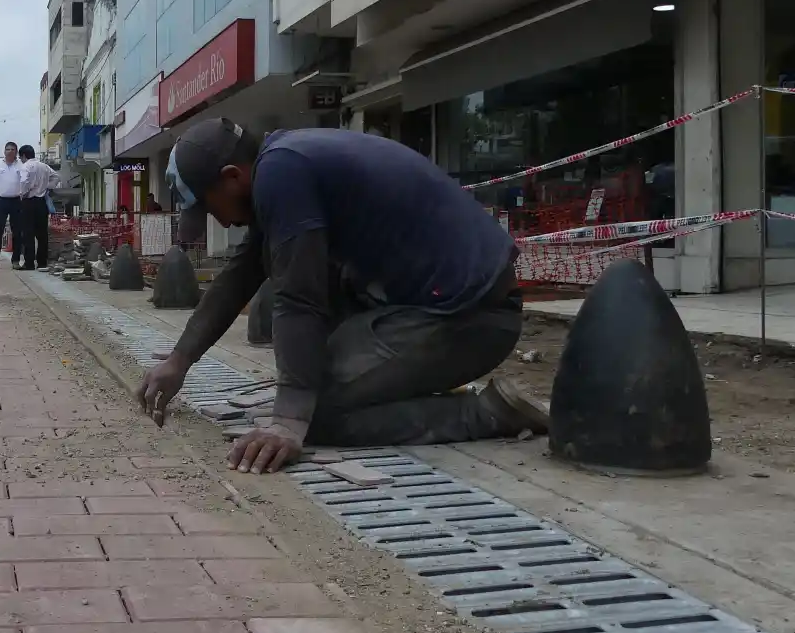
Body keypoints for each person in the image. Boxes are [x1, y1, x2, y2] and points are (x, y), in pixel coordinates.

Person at [136, 118, 548, 475]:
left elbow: (299, 298)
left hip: (470, 316)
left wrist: (288, 422)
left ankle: (486, 414)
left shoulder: (283, 172)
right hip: (437, 308)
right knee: (310, 384)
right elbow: (240, 276)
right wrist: (178, 360)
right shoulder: (285, 161)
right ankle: (407, 392)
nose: (220, 220)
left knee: (317, 414)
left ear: (232, 176)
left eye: (211, 208)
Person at [17, 144, 60, 271]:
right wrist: (47, 186)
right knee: (42, 234)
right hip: (42, 202)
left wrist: (23, 193)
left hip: (29, 201)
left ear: (23, 155)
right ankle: (42, 262)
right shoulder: (44, 166)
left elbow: (24, 182)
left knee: (28, 233)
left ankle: (29, 263)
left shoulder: (26, 166)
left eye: (21, 157)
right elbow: (56, 177)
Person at [0, 142, 26, 269]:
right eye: (7, 149)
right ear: (4, 151)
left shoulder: (21, 165)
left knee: (17, 232)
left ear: (16, 152)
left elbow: (27, 179)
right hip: (1, 200)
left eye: (12, 149)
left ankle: (15, 261)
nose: (10, 151)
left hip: (16, 201)